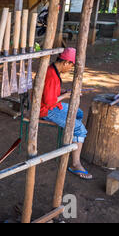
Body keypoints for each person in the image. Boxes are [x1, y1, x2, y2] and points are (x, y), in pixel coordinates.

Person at [40, 47, 92, 180]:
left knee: (78, 113)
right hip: (46, 110)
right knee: (80, 129)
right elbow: (49, 102)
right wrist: (66, 95)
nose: (70, 69)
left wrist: (64, 91)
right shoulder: (52, 75)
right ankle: (76, 164)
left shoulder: (53, 69)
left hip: (51, 105)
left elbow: (51, 92)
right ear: (66, 63)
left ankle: (72, 141)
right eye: (71, 66)